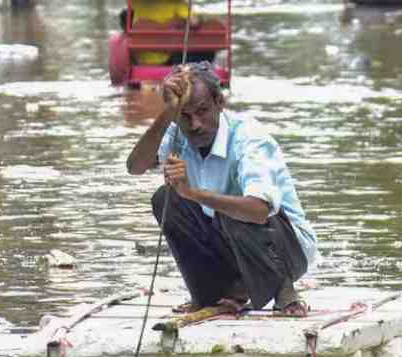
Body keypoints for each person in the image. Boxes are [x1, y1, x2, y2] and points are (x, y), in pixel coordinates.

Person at [125, 62, 317, 317]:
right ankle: (212, 294)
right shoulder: (178, 132)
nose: (195, 124)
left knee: (231, 206)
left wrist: (193, 193)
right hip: (228, 238)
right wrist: (168, 112)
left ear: (219, 102)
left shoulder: (248, 137)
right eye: (185, 115)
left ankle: (283, 290)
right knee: (165, 198)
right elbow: (135, 167)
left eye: (202, 111)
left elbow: (259, 210)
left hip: (287, 249)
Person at [131, 0, 212, 66]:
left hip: (140, 57)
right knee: (205, 47)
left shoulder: (136, 2)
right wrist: (200, 19)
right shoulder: (177, 3)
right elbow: (194, 22)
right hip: (167, 59)